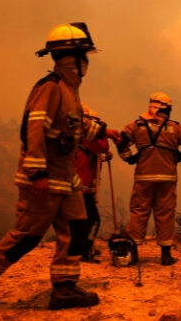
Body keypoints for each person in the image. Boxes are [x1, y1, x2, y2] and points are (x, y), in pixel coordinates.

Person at [0, 22, 118, 310]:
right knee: (29, 235)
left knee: (78, 229)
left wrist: (106, 132)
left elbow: (73, 126)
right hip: (45, 177)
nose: (86, 64)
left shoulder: (70, 92)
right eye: (84, 56)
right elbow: (34, 128)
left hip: (66, 178)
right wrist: (37, 173)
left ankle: (65, 289)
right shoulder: (50, 88)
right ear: (72, 57)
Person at [117, 92, 181, 265]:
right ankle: (166, 254)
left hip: (143, 177)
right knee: (165, 213)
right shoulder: (175, 127)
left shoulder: (136, 126)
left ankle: (133, 253)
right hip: (167, 178)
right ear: (165, 108)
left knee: (139, 212)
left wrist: (129, 158)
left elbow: (120, 140)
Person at [69, 104, 112, 263]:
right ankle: (84, 250)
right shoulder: (85, 137)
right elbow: (102, 146)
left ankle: (80, 249)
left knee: (77, 221)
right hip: (81, 188)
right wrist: (101, 132)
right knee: (92, 220)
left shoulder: (73, 136)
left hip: (76, 186)